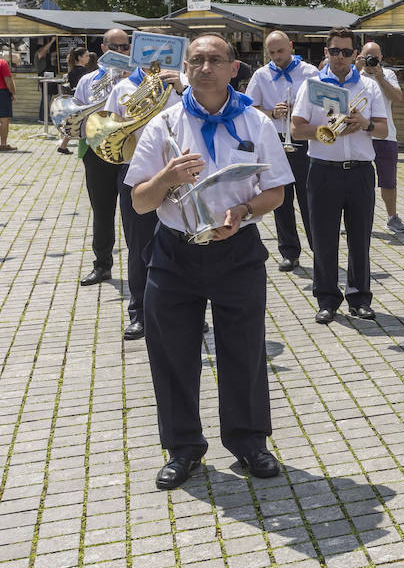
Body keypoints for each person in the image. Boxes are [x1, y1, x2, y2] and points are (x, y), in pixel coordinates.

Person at [126, 34, 293, 490]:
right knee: (172, 354)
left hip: (237, 251)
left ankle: (248, 441)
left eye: (214, 60)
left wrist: (243, 213)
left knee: (244, 350)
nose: (204, 68)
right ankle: (183, 448)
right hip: (175, 252)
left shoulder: (256, 122)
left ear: (233, 68)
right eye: (196, 61)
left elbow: (276, 192)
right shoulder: (164, 124)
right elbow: (140, 202)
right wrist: (167, 176)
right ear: (184, 68)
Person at [292, 28, 388, 324]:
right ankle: (327, 299)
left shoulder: (369, 88)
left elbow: (384, 130)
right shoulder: (311, 85)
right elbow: (296, 128)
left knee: (360, 239)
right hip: (322, 170)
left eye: (347, 52)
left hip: (359, 172)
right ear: (326, 53)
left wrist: (365, 124)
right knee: (324, 239)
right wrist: (325, 132)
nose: (341, 57)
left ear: (355, 55)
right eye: (335, 51)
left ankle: (359, 299)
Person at [102, 53, 188, 340]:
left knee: (183, 245)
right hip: (136, 175)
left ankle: (188, 311)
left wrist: (181, 89)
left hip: (176, 174)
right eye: (148, 53)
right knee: (139, 245)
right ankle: (139, 313)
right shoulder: (123, 88)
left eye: (163, 55)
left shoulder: (182, 86)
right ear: (138, 55)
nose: (155, 60)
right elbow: (110, 131)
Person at [245, 30, 319, 272]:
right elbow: (251, 111)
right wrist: (272, 113)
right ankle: (289, 252)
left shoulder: (309, 72)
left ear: (290, 46)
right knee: (281, 199)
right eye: (272, 53)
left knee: (310, 200)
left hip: (304, 141)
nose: (277, 57)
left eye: (280, 51)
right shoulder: (261, 75)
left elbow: (321, 106)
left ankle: (319, 252)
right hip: (275, 140)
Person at [74, 29, 131, 285]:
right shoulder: (88, 80)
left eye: (125, 46)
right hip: (97, 152)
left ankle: (142, 268)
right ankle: (102, 265)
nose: (121, 51)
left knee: (135, 215)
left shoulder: (137, 80)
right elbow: (77, 113)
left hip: (130, 153)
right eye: (115, 47)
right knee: (102, 211)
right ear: (104, 47)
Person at [359, 41, 404, 235]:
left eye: (375, 57)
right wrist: (356, 69)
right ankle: (357, 217)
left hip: (386, 135)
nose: (371, 61)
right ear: (360, 57)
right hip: (360, 135)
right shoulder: (354, 75)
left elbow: (397, 98)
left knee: (389, 180)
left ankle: (392, 217)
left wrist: (380, 78)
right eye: (367, 56)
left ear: (381, 58)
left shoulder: (388, 74)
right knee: (360, 181)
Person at [57, 47, 93, 154]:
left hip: (74, 100)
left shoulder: (72, 71)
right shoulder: (83, 72)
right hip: (81, 102)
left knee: (74, 124)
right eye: (86, 56)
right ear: (80, 58)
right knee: (76, 125)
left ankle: (63, 146)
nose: (88, 58)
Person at [0, 50, 15, 152]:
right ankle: (3, 144)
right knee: (4, 120)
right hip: (2, 92)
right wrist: (13, 93)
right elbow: (8, 80)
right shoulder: (2, 63)